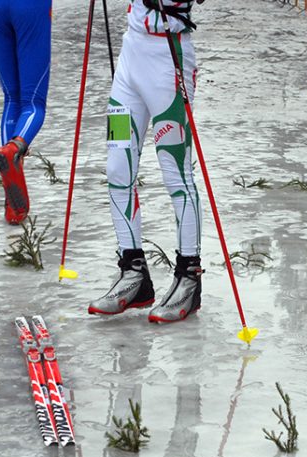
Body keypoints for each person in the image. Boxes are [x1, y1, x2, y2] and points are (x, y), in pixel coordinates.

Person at [88, 0, 205, 324]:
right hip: (130, 62)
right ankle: (134, 271)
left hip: (168, 61)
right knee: (117, 166)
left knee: (175, 172)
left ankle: (189, 277)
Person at [0, 0, 52, 225]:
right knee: (33, 103)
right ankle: (15, 147)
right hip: (29, 7)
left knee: (11, 97)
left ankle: (12, 199)